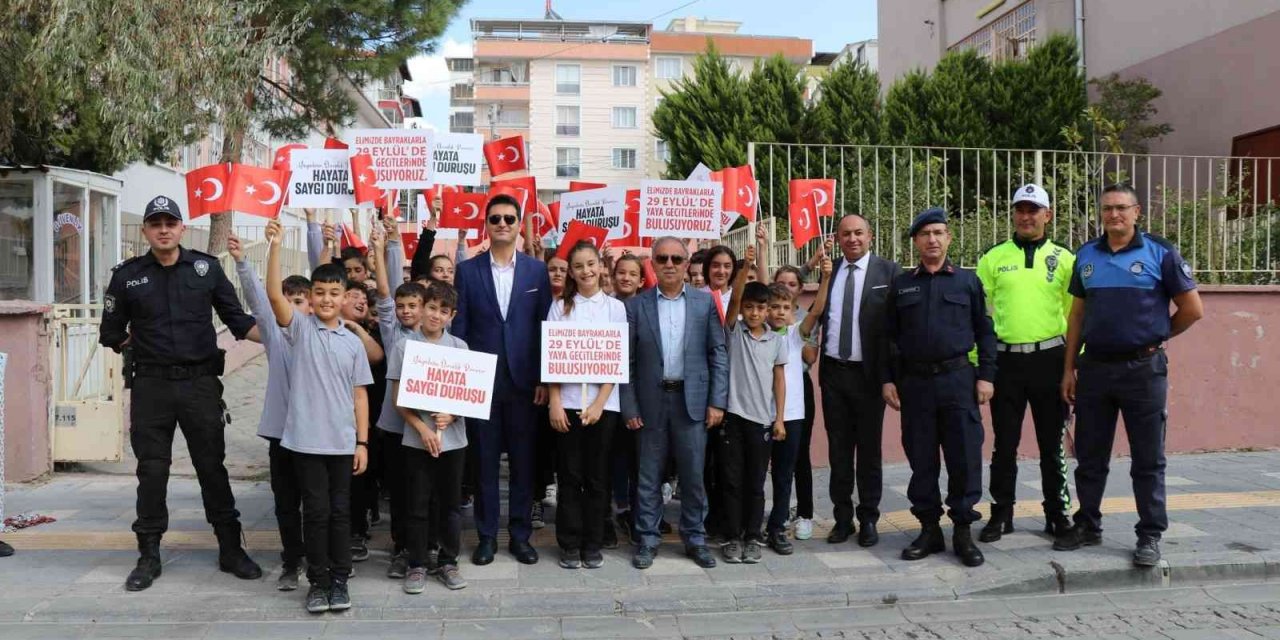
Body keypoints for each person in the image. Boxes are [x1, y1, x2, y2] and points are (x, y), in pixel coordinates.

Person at [98, 195, 261, 592]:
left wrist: (286, 336)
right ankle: (148, 555)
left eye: (170, 223)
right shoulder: (127, 276)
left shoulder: (206, 269)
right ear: (145, 230)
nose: (164, 230)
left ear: (182, 228)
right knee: (152, 471)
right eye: (156, 224)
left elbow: (238, 321)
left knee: (211, 467)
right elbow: (110, 331)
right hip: (151, 388)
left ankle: (230, 549)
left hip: (199, 385)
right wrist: (135, 346)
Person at [1055, 184, 1203, 566]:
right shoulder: (1086, 255)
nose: (1114, 215)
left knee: (1147, 458)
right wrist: (1069, 368)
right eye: (1107, 208)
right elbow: (1077, 315)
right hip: (1095, 369)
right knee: (1090, 455)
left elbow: (1192, 309)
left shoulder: (1161, 253)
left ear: (1137, 212)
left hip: (1143, 371)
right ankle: (1088, 524)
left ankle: (1149, 534)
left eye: (1122, 208)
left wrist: (1157, 335)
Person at [265, 218, 373, 613]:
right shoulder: (300, 329)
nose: (327, 299)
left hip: (343, 444)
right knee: (315, 513)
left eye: (334, 293)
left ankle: (340, 580)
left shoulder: (352, 342)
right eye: (320, 293)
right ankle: (318, 582)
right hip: (306, 443)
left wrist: (362, 442)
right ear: (310, 297)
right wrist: (276, 246)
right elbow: (274, 295)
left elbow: (360, 395)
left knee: (340, 513)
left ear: (345, 297)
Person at [882, 207, 996, 568]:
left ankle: (962, 532)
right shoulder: (902, 284)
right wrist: (887, 379)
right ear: (916, 241)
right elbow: (888, 337)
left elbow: (985, 331)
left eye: (938, 233)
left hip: (958, 380)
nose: (932, 239)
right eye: (925, 234)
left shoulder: (967, 282)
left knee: (964, 457)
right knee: (922, 458)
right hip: (915, 384)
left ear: (948, 238)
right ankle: (929, 529)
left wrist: (987, 375)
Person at [452, 193, 553, 566]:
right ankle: (487, 537)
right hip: (482, 383)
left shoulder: (536, 271)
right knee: (484, 464)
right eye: (495, 218)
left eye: (509, 218)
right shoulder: (467, 271)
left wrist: (544, 378)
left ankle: (521, 536)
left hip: (526, 384)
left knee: (524, 464)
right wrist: (463, 380)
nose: (503, 224)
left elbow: (544, 327)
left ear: (518, 224)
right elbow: (460, 329)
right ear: (486, 224)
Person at [976, 184, 1076, 543]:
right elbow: (981, 317)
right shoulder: (993, 258)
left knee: (1052, 444)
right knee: (1004, 444)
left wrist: (1073, 366)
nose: (1026, 216)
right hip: (1006, 363)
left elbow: (1075, 315)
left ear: (1048, 215)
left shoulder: (1065, 258)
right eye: (1020, 209)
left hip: (1051, 360)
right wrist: (979, 366)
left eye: (1033, 210)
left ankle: (1057, 514)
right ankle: (1001, 514)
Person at [621, 237, 728, 570]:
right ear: (652, 264)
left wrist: (717, 402)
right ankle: (647, 539)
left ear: (687, 263)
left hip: (692, 402)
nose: (670, 264)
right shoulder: (635, 306)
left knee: (693, 476)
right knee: (648, 477)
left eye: (677, 259)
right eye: (663, 258)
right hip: (650, 403)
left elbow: (718, 353)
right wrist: (629, 406)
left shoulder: (704, 303)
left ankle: (695, 538)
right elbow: (627, 361)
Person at [228, 234, 311, 591]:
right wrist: (242, 263)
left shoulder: (323, 336)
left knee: (319, 503)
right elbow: (261, 303)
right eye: (287, 300)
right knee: (286, 502)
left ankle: (320, 558)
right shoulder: (276, 338)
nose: (292, 307)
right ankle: (292, 559)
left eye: (300, 301)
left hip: (317, 435)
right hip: (281, 434)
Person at [820, 215, 900, 548]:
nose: (852, 239)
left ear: (870, 236)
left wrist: (890, 376)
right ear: (838, 239)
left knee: (868, 451)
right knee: (838, 451)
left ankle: (868, 518)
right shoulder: (830, 270)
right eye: (845, 234)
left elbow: (895, 329)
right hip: (833, 374)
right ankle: (842, 519)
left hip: (869, 376)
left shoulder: (889, 272)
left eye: (858, 233)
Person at [547, 241, 627, 569]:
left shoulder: (615, 308)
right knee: (569, 476)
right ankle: (569, 543)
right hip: (567, 402)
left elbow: (617, 359)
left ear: (600, 265)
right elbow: (551, 357)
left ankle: (592, 543)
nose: (586, 271)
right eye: (578, 266)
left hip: (603, 406)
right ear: (571, 271)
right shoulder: (559, 307)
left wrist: (599, 403)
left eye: (591, 264)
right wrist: (554, 402)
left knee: (597, 477)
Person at [390, 281, 471, 593]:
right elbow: (399, 400)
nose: (436, 315)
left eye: (443, 311)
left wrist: (453, 415)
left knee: (450, 505)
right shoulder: (404, 348)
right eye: (432, 308)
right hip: (416, 441)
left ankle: (448, 560)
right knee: (417, 504)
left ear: (452, 316)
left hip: (453, 441)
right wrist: (422, 428)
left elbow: (469, 397)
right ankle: (417, 563)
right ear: (422, 308)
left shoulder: (460, 348)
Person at [716, 245, 787, 564]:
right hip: (733, 418)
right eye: (750, 307)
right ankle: (732, 537)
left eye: (761, 307)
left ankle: (752, 537)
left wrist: (779, 418)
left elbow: (779, 380)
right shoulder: (734, 332)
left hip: (762, 421)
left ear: (768, 310)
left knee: (756, 483)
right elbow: (733, 300)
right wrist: (745, 267)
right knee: (732, 481)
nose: (755, 313)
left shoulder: (776, 340)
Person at [764, 255, 831, 555]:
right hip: (758, 413)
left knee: (784, 472)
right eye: (774, 306)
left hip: (791, 414)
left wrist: (825, 278)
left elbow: (817, 309)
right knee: (755, 474)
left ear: (793, 309)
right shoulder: (755, 331)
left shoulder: (795, 334)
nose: (780, 311)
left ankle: (778, 526)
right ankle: (751, 526)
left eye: (786, 307)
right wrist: (760, 252)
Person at [367, 222, 418, 578]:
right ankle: (402, 548)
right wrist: (381, 248)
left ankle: (427, 547)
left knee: (423, 492)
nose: (406, 311)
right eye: (401, 306)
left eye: (413, 305)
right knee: (400, 493)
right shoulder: (392, 332)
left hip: (429, 427)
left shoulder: (441, 336)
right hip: (397, 427)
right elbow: (385, 293)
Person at [606, 253, 646, 549]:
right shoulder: (605, 306)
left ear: (641, 280)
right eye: (621, 272)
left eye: (633, 274)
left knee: (637, 460)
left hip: (637, 395)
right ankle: (613, 512)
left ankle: (635, 513)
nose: (626, 278)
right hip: (606, 396)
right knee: (611, 459)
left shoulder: (646, 308)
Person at [532, 250, 571, 529]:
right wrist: (541, 380)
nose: (557, 274)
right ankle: (535, 500)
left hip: (570, 389)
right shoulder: (535, 300)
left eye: (562, 269)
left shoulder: (576, 304)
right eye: (552, 268)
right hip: (538, 387)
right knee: (539, 446)